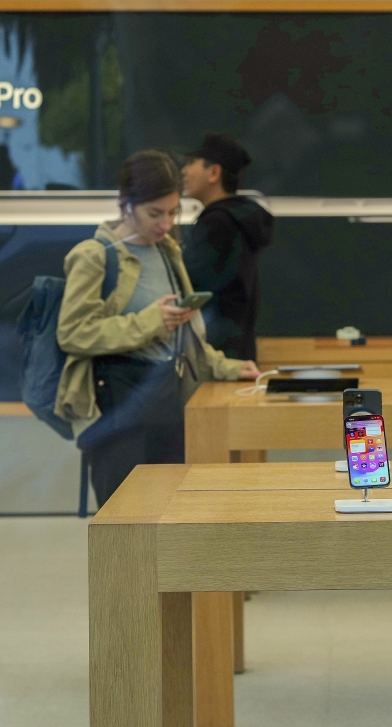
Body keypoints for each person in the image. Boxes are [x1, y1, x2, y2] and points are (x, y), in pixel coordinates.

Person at [55, 149, 260, 507]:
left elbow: (186, 334)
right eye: (154, 213)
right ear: (126, 204)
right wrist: (151, 322)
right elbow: (72, 333)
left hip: (169, 403)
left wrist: (227, 367)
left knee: (170, 518)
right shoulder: (95, 255)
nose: (165, 223)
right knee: (123, 523)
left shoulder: (167, 251)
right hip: (117, 410)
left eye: (173, 212)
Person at [181, 132, 274, 361]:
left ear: (214, 173)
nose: (184, 171)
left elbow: (192, 282)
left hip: (217, 352)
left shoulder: (217, 224)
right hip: (238, 347)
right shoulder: (238, 218)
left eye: (191, 163)